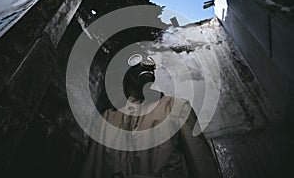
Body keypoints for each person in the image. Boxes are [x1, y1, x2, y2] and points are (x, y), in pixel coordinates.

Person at [80, 53, 220, 178]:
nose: (145, 66)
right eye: (136, 60)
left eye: (148, 63)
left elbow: (201, 163)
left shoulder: (175, 108)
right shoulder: (107, 119)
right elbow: (91, 167)